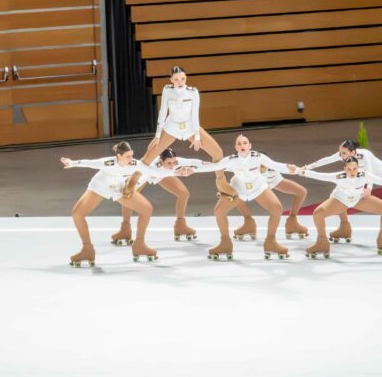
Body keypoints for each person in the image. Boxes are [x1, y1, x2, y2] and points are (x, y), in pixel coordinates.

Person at [60, 142, 192, 266]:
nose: (131, 158)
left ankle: (139, 244)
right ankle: (87, 249)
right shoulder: (108, 162)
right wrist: (71, 163)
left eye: (132, 155)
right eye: (128, 156)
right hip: (100, 187)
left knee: (147, 209)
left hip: (119, 189)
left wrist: (177, 172)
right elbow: (88, 163)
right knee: (77, 214)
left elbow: (155, 172)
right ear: (119, 156)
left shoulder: (135, 163)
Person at [144, 66, 240, 205]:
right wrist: (158, 135)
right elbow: (162, 112)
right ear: (171, 80)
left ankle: (221, 183)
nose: (180, 81)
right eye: (176, 79)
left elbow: (195, 115)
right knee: (148, 158)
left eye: (182, 78)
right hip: (171, 127)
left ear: (186, 78)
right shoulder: (167, 90)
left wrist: (196, 137)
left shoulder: (193, 92)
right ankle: (133, 184)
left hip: (190, 127)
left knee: (218, 153)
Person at [198, 134, 297, 261]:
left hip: (258, 187)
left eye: (245, 143)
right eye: (239, 144)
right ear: (236, 147)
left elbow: (275, 165)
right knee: (219, 211)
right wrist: (192, 170)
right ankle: (225, 243)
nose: (242, 145)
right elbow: (213, 167)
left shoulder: (258, 157)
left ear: (250, 146)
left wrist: (289, 168)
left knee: (277, 208)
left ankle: (271, 241)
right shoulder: (231, 160)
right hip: (238, 189)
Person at [304, 139, 382, 246]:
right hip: (360, 175)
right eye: (340, 152)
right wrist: (307, 168)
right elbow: (326, 160)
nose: (341, 155)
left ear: (353, 152)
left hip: (378, 172)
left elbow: (370, 172)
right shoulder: (343, 155)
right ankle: (344, 227)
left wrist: (368, 188)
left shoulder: (364, 155)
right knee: (342, 192)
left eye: (344, 153)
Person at [116, 148, 203, 245]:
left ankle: (180, 225)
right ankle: (125, 228)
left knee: (184, 193)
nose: (172, 165)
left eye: (173, 162)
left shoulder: (175, 161)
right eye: (169, 163)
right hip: (145, 173)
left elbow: (192, 162)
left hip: (162, 173)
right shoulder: (152, 165)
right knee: (129, 195)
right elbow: (155, 173)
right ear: (161, 161)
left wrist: (213, 165)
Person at [231, 166, 310, 241]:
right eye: (260, 166)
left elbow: (287, 169)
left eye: (264, 165)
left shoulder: (271, 169)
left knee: (302, 192)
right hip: (254, 184)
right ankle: (248, 222)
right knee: (233, 192)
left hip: (270, 177)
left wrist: (300, 170)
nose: (262, 167)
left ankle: (292, 222)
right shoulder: (244, 174)